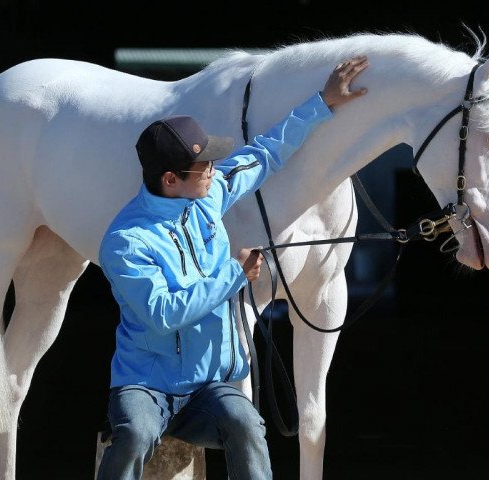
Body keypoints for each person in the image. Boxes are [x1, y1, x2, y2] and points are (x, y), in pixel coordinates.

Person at [96, 56, 369, 480]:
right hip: (146, 388)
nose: (213, 171)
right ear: (170, 180)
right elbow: (164, 314)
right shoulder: (125, 242)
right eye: (203, 166)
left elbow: (265, 153)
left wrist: (323, 102)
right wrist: (235, 273)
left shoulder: (207, 193)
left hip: (208, 388)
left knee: (246, 424)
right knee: (134, 434)